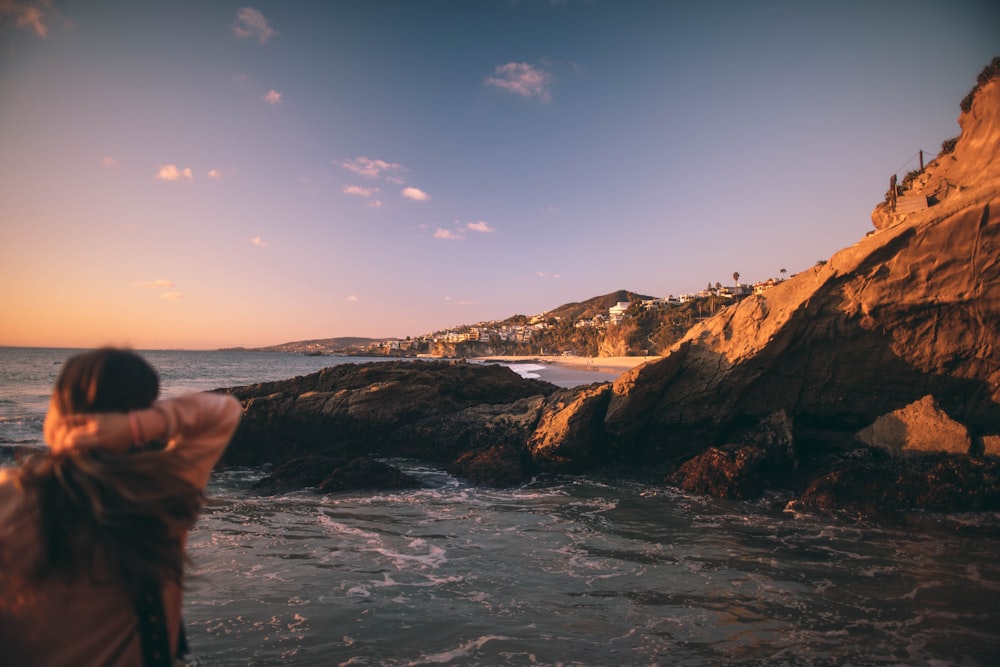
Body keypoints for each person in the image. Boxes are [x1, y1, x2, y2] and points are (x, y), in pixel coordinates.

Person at [0, 348, 241, 666]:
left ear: (62, 410)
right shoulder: (163, 490)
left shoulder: (10, 498)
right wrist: (138, 425)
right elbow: (222, 412)